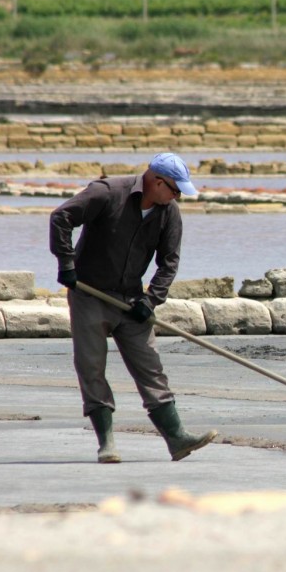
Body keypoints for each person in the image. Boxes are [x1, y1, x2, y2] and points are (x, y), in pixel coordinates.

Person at [49, 152, 217, 463]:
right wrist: (66, 264)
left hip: (129, 299)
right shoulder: (108, 193)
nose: (178, 196)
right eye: (175, 189)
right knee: (91, 367)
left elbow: (169, 262)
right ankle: (107, 443)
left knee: (150, 366)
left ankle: (177, 438)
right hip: (89, 295)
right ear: (156, 181)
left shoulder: (169, 212)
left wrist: (150, 300)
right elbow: (61, 218)